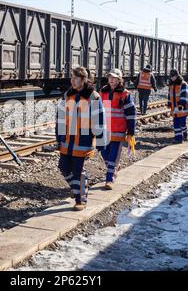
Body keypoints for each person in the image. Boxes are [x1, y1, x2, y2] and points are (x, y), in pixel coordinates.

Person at [56, 67, 107, 211]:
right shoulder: (67, 95)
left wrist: (101, 141)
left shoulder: (93, 96)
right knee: (63, 167)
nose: (72, 80)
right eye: (71, 77)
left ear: (83, 80)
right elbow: (59, 118)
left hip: (83, 140)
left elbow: (100, 120)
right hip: (67, 140)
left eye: (75, 78)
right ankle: (77, 188)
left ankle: (80, 200)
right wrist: (58, 137)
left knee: (78, 171)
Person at [100, 69, 136, 190]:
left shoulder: (125, 94)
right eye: (110, 77)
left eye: (114, 78)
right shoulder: (103, 92)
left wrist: (131, 131)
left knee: (113, 155)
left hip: (118, 131)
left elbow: (131, 113)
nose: (111, 79)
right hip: (105, 130)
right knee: (104, 153)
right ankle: (115, 167)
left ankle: (109, 179)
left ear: (119, 79)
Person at [167, 69, 188, 144]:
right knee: (176, 123)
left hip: (183, 108)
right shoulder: (171, 85)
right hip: (175, 108)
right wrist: (169, 104)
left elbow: (184, 95)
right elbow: (169, 95)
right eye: (171, 76)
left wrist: (181, 105)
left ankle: (185, 133)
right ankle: (178, 138)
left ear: (177, 76)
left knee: (182, 122)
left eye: (173, 76)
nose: (172, 78)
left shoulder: (183, 84)